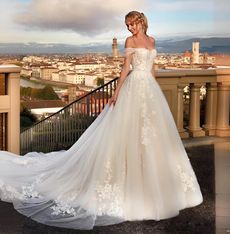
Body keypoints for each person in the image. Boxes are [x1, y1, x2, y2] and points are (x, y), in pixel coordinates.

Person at [0, 11, 203, 230]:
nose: (129, 29)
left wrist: (156, 92)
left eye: (132, 24)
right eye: (127, 26)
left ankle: (156, 185)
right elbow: (126, 69)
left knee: (151, 138)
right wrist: (116, 93)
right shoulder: (130, 41)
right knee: (127, 134)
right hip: (133, 88)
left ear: (141, 22)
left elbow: (152, 70)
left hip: (149, 91)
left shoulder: (152, 41)